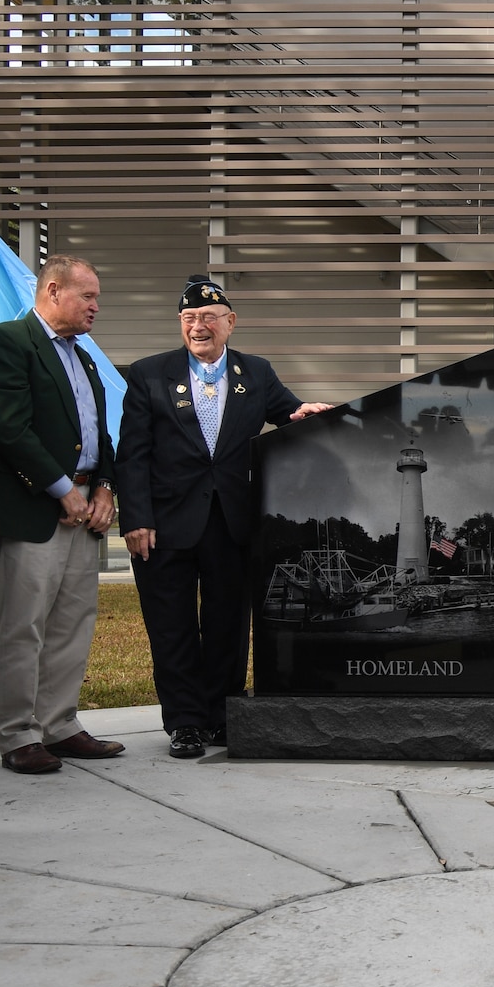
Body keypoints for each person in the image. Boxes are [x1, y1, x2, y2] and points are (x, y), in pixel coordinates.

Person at [117, 276, 327, 760]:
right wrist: (136, 518)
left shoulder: (255, 371)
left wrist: (305, 411)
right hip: (164, 524)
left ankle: (222, 715)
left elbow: (288, 412)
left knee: (228, 624)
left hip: (231, 521)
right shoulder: (149, 373)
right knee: (171, 626)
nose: (199, 326)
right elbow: (132, 453)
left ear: (230, 323)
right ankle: (185, 722)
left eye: (210, 317)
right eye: (189, 318)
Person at [0, 254, 125, 775]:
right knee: (23, 625)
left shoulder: (83, 358)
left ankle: (59, 724)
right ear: (53, 291)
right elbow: (10, 429)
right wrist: (63, 489)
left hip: (84, 511)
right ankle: (17, 733)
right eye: (88, 296)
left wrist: (104, 487)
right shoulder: (7, 343)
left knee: (72, 623)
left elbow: (102, 433)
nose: (95, 307)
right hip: (34, 511)